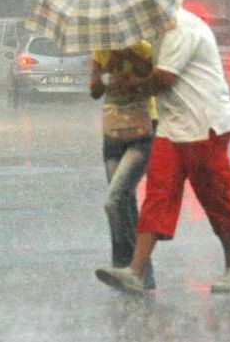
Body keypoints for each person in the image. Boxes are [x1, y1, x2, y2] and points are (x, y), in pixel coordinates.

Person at [95, 6, 230, 294]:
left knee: (214, 194)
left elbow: (161, 79)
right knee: (158, 192)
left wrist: (135, 85)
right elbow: (149, 71)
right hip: (173, 125)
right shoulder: (158, 33)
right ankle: (136, 271)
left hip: (205, 123)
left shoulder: (182, 28)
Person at [89, 41, 157, 291]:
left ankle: (129, 268)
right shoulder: (101, 50)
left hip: (142, 131)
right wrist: (109, 64)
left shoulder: (144, 48)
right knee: (124, 203)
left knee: (114, 200)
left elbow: (153, 84)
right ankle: (139, 272)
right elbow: (95, 90)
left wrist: (130, 54)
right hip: (112, 134)